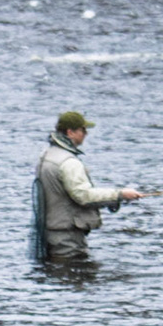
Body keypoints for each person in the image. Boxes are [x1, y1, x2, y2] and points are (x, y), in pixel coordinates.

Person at [33, 110, 142, 260]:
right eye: (83, 130)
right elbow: (84, 196)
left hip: (51, 231)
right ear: (70, 132)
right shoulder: (69, 162)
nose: (86, 134)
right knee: (74, 274)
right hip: (66, 236)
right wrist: (119, 194)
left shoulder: (47, 155)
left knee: (57, 273)